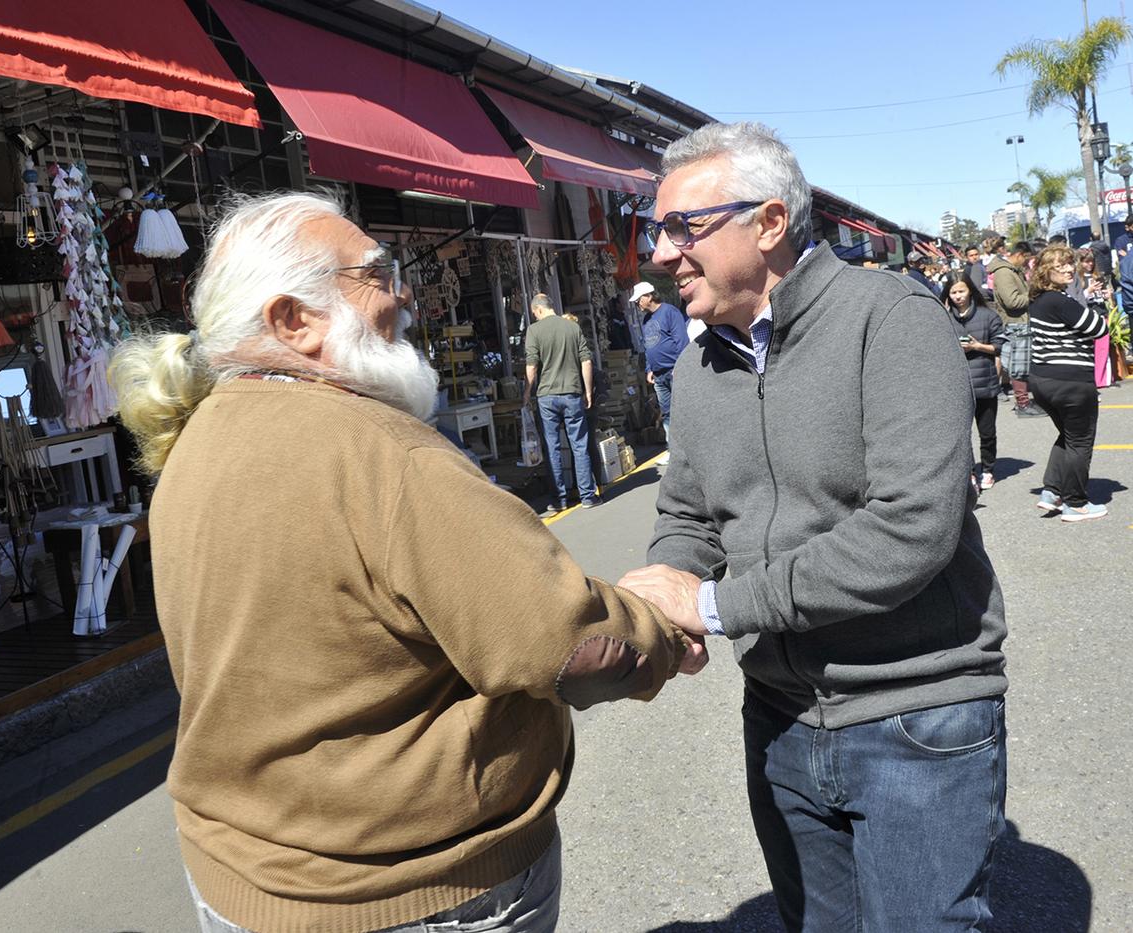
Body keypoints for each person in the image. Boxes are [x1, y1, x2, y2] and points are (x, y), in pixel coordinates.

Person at [109, 190, 703, 933]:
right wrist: (661, 630)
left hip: (242, 881)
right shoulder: (380, 453)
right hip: (411, 889)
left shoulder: (196, 445)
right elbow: (566, 641)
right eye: (378, 274)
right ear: (292, 320)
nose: (403, 294)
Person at [615, 122, 1008, 932]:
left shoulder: (888, 316)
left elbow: (911, 530)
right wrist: (664, 595)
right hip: (782, 718)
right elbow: (689, 514)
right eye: (655, 229)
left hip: (917, 715)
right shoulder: (696, 366)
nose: (659, 252)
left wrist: (717, 607)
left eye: (683, 226)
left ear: (768, 224)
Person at [1029, 246, 1110, 521]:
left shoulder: (1039, 300)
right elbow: (1100, 328)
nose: (1068, 269)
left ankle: (1052, 492)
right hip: (1071, 382)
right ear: (1045, 271)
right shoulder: (1061, 302)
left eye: (1069, 264)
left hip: (1042, 380)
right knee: (1080, 442)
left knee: (1068, 436)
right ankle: (1075, 503)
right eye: (1060, 265)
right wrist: (1100, 307)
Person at [523, 293, 599, 511]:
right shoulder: (572, 327)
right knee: (579, 445)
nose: (535, 317)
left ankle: (560, 500)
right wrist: (587, 391)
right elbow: (586, 360)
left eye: (534, 313)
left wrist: (527, 392)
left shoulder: (534, 331)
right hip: (572, 393)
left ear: (538, 309)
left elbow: (531, 366)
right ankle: (586, 496)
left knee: (552, 447)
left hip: (546, 396)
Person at [942, 272, 1006, 490]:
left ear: (970, 291)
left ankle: (988, 470)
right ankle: (969, 472)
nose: (958, 296)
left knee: (987, 432)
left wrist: (977, 347)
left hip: (985, 383)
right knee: (962, 435)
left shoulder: (988, 316)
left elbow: (999, 345)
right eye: (953, 292)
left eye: (961, 291)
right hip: (957, 386)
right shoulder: (943, 317)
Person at [631, 281, 689, 447]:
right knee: (667, 412)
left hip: (673, 370)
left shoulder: (670, 312)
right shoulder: (647, 319)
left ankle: (688, 449)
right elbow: (648, 344)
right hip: (658, 374)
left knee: (682, 410)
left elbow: (681, 341)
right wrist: (649, 368)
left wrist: (680, 366)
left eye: (639, 299)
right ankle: (673, 450)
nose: (637, 303)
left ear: (649, 296)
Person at [989, 240, 1041, 416]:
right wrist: (1033, 295)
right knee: (1018, 366)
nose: (1027, 263)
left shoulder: (1012, 271)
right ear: (1019, 255)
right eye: (1027, 259)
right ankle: (1023, 404)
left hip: (1020, 322)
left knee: (1023, 365)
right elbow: (1012, 302)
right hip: (1015, 323)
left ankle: (1024, 402)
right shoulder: (1004, 273)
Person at [1071, 249, 1114, 388]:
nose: (1089, 264)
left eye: (1091, 261)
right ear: (1080, 262)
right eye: (1085, 261)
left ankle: (1102, 379)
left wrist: (1107, 295)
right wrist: (1088, 292)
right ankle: (1093, 378)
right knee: (1089, 349)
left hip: (1101, 313)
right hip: (1087, 315)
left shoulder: (1098, 275)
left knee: (1102, 348)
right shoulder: (1077, 278)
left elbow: (1104, 295)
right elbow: (1076, 298)